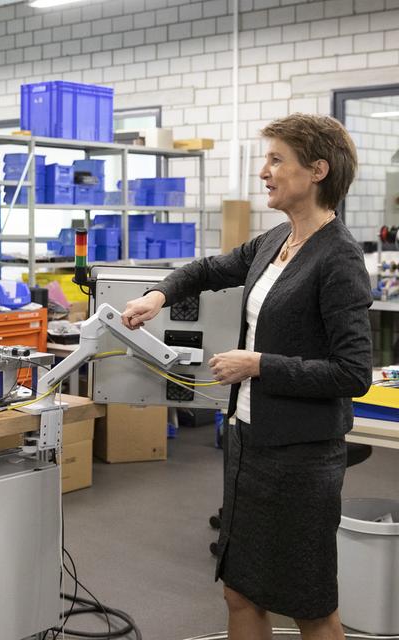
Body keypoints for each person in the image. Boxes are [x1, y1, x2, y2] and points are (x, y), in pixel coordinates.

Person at [121, 113, 372, 640]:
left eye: (277, 159)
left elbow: (353, 372)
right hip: (249, 443)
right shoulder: (275, 241)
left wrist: (257, 365)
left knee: (310, 604)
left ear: (318, 170)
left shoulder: (339, 258)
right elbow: (208, 270)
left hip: (302, 457)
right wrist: (157, 295)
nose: (264, 171)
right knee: (240, 590)